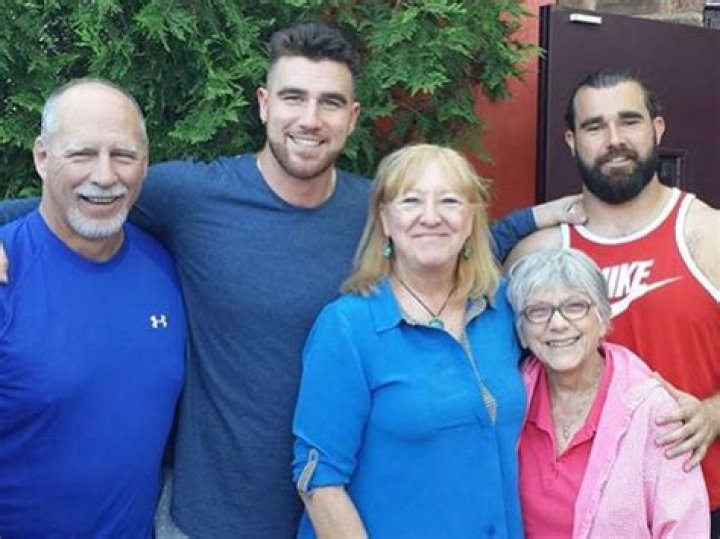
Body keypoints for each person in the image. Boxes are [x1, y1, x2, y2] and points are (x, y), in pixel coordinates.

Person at [0, 24, 584, 538]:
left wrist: (537, 217)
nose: (310, 119)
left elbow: (452, 243)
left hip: (344, 513)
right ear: (263, 104)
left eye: (330, 102)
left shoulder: (373, 211)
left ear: (352, 117)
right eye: (293, 97)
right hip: (216, 520)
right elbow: (84, 197)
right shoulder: (194, 198)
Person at [505, 70, 720, 534]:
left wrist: (713, 412)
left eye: (629, 121)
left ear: (657, 128)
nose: (614, 139)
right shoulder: (537, 253)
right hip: (568, 515)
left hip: (704, 504)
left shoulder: (707, 234)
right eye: (594, 126)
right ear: (571, 141)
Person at [293, 144, 525, 538]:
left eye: (449, 201)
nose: (430, 217)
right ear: (385, 219)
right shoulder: (348, 326)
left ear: (471, 219)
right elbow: (319, 482)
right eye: (411, 201)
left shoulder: (502, 307)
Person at [0, 79, 186, 537]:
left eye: (123, 155)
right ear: (42, 158)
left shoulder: (167, 265)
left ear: (146, 163)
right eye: (81, 154)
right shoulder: (7, 273)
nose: (104, 176)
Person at [507, 248, 709, 538]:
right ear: (522, 332)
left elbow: (686, 528)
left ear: (602, 318)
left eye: (575, 306)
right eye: (538, 311)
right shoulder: (510, 400)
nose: (558, 324)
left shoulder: (652, 410)